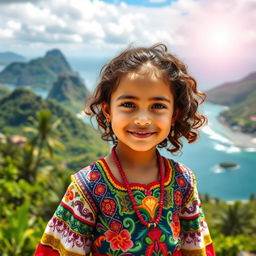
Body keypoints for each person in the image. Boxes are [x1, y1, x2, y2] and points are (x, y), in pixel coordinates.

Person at [35, 43, 215, 256]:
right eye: (129, 104)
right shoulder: (87, 188)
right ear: (108, 111)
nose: (142, 120)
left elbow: (198, 251)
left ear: (174, 115)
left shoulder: (183, 181)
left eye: (158, 106)